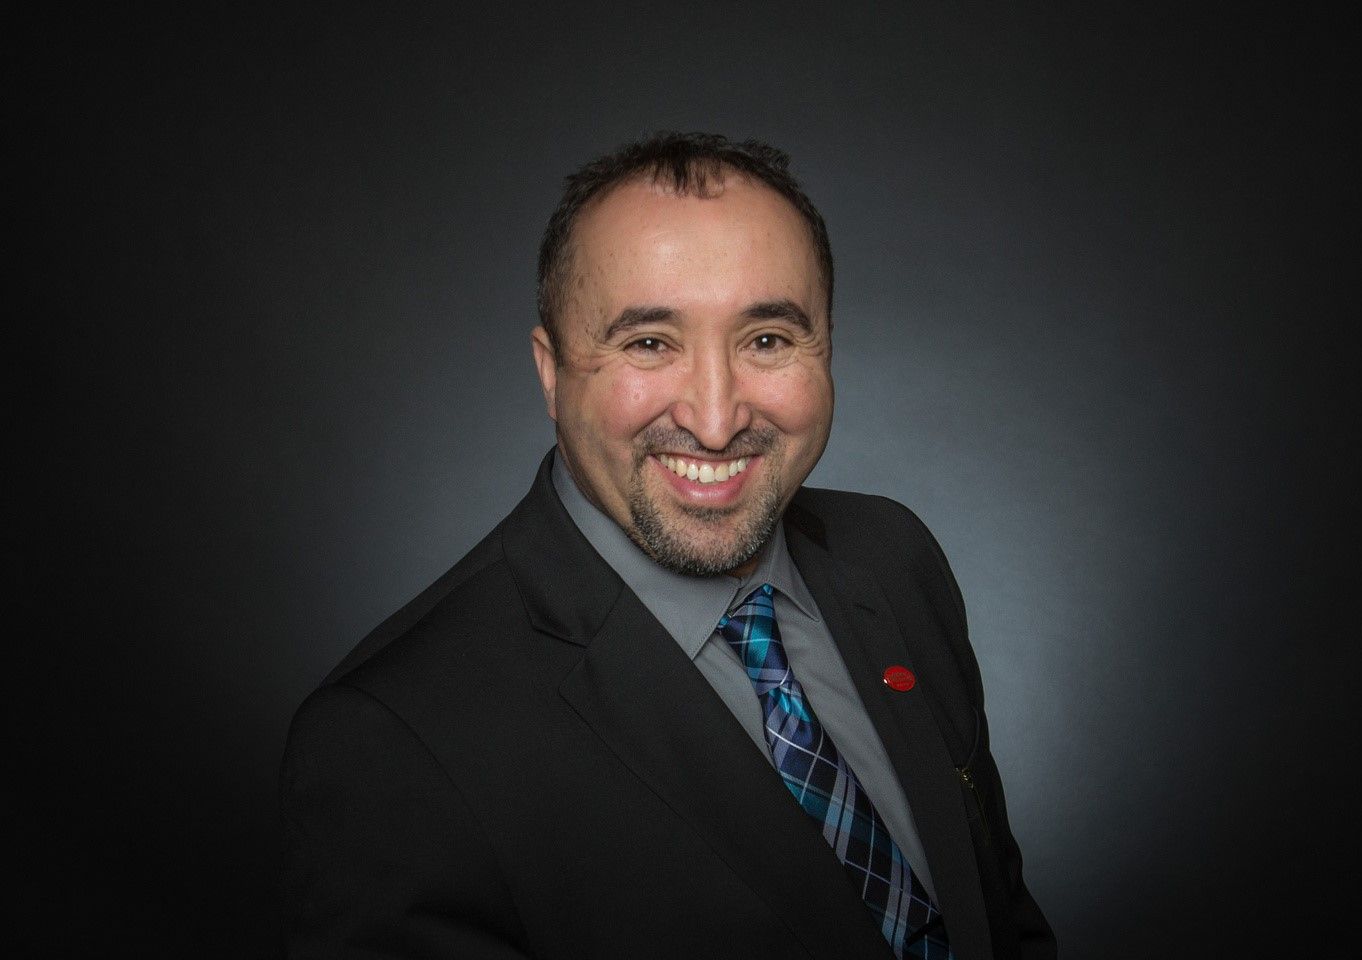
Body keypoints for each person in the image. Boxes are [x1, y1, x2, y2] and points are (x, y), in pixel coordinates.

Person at [280, 132, 1055, 959]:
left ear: (827, 345)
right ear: (551, 372)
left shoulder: (893, 558)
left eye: (767, 339)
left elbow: (999, 920)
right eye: (649, 343)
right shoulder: (395, 741)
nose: (715, 420)